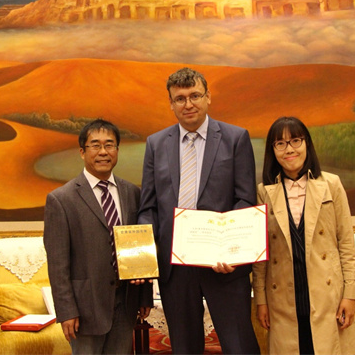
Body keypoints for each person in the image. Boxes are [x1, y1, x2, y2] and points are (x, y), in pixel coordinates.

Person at [138, 67, 260, 354]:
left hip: (224, 265)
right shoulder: (156, 144)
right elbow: (148, 207)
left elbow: (245, 201)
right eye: (180, 98)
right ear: (171, 104)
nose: (188, 104)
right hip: (175, 268)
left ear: (208, 97)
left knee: (239, 346)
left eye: (195, 95)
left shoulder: (235, 138)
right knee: (184, 348)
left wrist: (229, 251)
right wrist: (142, 256)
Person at [252, 116, 355, 355]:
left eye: (295, 141)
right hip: (283, 296)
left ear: (307, 144)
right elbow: (261, 253)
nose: (289, 149)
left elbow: (346, 243)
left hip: (326, 293)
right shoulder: (263, 192)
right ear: (272, 151)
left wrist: (350, 295)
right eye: (280, 144)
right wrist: (261, 299)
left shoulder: (331, 184)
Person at [44, 119, 153, 354]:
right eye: (95, 145)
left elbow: (141, 243)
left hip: (125, 303)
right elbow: (58, 264)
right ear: (82, 152)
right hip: (85, 307)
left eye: (109, 145)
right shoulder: (61, 199)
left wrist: (144, 296)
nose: (103, 152)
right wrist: (66, 311)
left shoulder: (132, 192)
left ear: (117, 150)